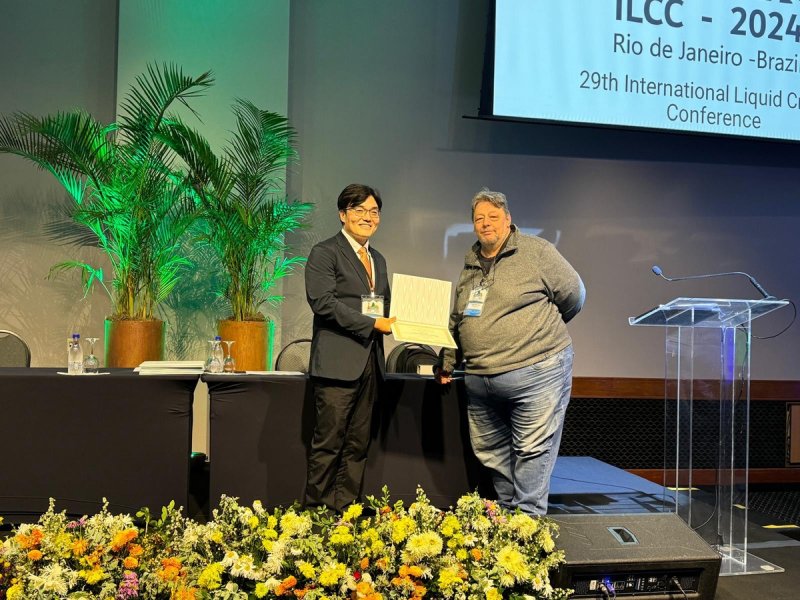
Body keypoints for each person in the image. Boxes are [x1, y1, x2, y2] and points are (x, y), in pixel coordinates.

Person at [435, 188, 585, 515]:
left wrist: (535, 333)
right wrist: (447, 359)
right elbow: (458, 317)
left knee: (532, 451)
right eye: (479, 218)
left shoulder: (536, 252)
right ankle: (506, 519)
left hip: (537, 372)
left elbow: (574, 295)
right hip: (481, 379)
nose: (485, 223)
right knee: (490, 451)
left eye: (493, 217)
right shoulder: (471, 263)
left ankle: (528, 525)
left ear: (508, 220)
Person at [304, 183, 395, 512]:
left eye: (374, 212)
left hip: (370, 361)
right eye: (359, 210)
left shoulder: (378, 259)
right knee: (329, 442)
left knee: (358, 443)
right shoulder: (325, 252)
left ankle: (347, 510)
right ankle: (318, 513)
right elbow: (323, 303)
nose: (368, 217)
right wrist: (372, 324)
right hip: (337, 363)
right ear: (343, 215)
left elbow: (384, 305)